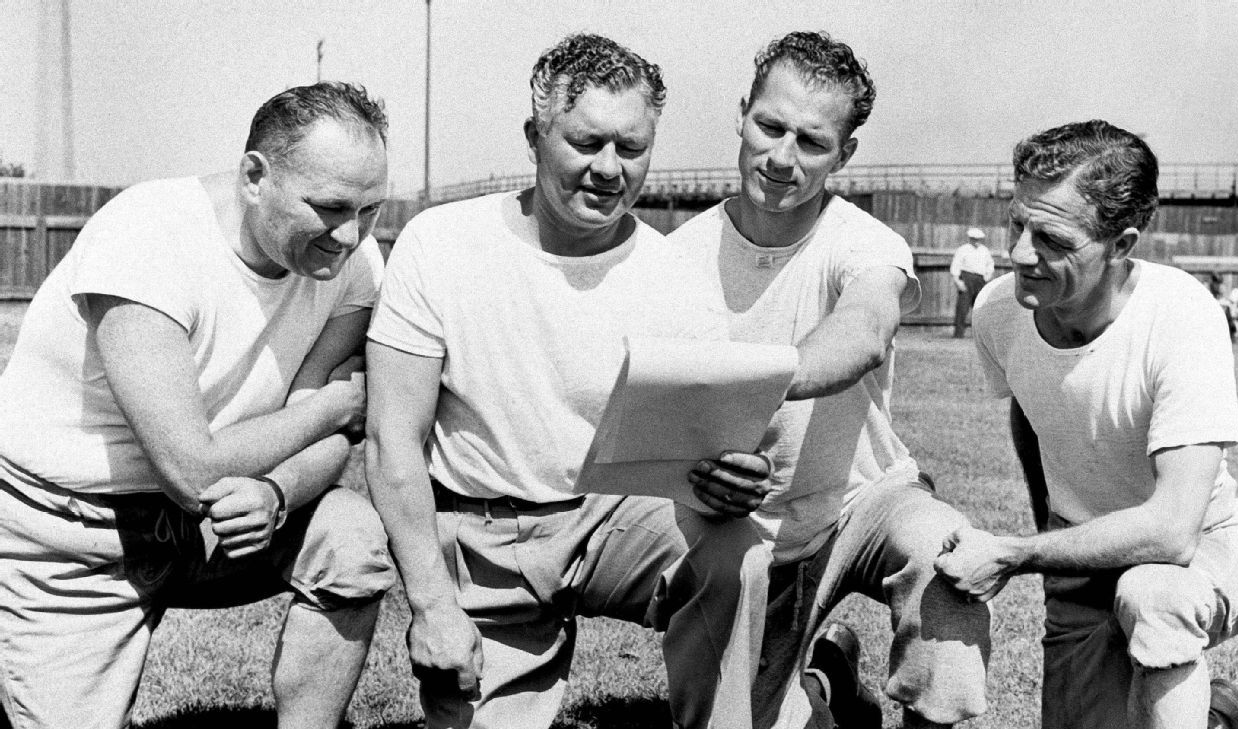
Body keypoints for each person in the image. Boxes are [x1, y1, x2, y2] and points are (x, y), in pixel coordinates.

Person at [365, 34, 772, 729]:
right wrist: (433, 606)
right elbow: (389, 440)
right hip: (480, 530)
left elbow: (715, 443)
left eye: (632, 148)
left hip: (613, 518)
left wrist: (734, 474)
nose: (610, 169)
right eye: (585, 142)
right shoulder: (440, 243)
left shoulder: (677, 278)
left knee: (738, 552)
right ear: (535, 136)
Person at [0, 82, 396, 729]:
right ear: (253, 177)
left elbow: (317, 445)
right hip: (69, 537)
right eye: (329, 207)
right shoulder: (149, 233)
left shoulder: (353, 260)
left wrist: (277, 489)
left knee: (349, 539)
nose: (350, 235)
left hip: (212, 526)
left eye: (371, 210)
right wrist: (335, 407)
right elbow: (194, 470)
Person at [668, 31, 989, 729]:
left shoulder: (865, 240)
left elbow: (866, 329)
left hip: (863, 503)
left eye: (812, 142)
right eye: (770, 126)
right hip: (750, 531)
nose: (782, 158)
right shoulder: (679, 256)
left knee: (947, 555)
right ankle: (827, 684)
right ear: (742, 113)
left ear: (843, 154)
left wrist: (753, 381)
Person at [935, 120, 1238, 729]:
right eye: (1019, 224)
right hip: (1083, 561)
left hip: (1206, 547)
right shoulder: (998, 312)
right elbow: (1032, 406)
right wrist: (1053, 528)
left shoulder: (1180, 315)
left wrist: (1020, 552)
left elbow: (1173, 532)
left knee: (1153, 595)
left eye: (1052, 239)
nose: (1018, 254)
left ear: (1121, 244)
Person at [949, 227, 996, 338]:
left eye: (979, 239)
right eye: (974, 239)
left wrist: (987, 277)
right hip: (966, 278)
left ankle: (981, 335)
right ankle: (958, 334)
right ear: (970, 238)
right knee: (962, 307)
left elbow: (990, 264)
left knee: (980, 307)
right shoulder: (963, 249)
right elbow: (956, 265)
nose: (976, 241)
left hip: (980, 280)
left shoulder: (984, 250)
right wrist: (957, 281)